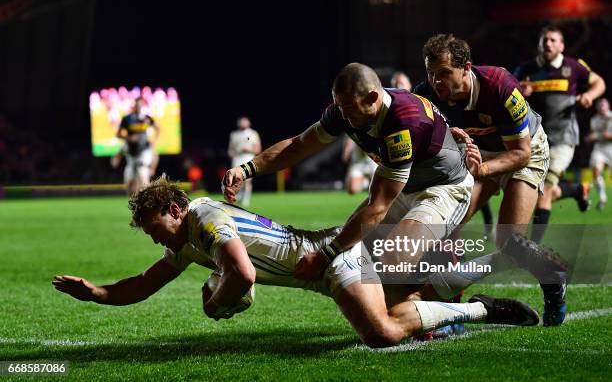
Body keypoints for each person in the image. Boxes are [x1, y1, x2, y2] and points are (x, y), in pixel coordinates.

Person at [52, 175, 541, 348]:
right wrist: (95, 293)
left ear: (175, 210)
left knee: (382, 332)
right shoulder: (185, 237)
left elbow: (241, 273)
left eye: (156, 228)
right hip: (323, 259)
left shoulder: (203, 219)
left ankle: (483, 310)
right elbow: (144, 282)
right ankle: (502, 262)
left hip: (330, 260)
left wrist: (216, 306)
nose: (157, 239)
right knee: (417, 293)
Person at [223, 62, 474, 286]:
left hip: (442, 187)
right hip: (405, 186)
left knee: (395, 255)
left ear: (373, 97)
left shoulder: (403, 123)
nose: (344, 115)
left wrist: (324, 257)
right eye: (340, 106)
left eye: (349, 108)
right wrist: (246, 169)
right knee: (358, 251)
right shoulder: (345, 111)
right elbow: (299, 145)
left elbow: (377, 207)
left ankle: (450, 284)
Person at [413, 34, 566, 326]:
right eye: (431, 74)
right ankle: (452, 310)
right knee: (447, 227)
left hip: (525, 150)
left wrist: (482, 171)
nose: (436, 81)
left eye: (444, 73)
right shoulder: (427, 94)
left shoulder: (500, 86)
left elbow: (520, 153)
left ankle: (551, 277)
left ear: (466, 68)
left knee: (509, 243)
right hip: (478, 153)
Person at [513, 26, 606, 241]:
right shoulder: (526, 69)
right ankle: (576, 190)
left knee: (543, 188)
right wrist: (519, 90)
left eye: (553, 40)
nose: (548, 44)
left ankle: (531, 247)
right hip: (535, 141)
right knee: (540, 189)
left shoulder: (573, 67)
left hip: (564, 139)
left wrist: (590, 96)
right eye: (545, 40)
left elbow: (599, 83)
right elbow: (507, 92)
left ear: (561, 45)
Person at [112, 97, 160, 194]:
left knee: (143, 175)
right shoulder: (127, 119)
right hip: (131, 153)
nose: (139, 107)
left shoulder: (146, 118)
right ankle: (134, 204)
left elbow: (158, 128)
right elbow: (118, 134)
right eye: (138, 104)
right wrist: (129, 138)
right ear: (134, 105)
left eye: (141, 105)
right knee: (129, 184)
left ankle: (147, 202)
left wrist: (155, 140)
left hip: (143, 150)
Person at [227, 116, 261, 207]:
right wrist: (232, 154)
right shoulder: (234, 134)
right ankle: (238, 197)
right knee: (236, 180)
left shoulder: (253, 133)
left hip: (248, 157)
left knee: (247, 180)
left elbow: (258, 149)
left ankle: (246, 199)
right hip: (237, 158)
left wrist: (248, 149)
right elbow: (231, 149)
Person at [586, 98, 612, 210]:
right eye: (600, 105)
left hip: (610, 147)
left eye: (604, 105)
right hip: (599, 148)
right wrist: (591, 137)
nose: (602, 107)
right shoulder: (594, 119)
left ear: (608, 106)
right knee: (596, 171)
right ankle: (602, 197)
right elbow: (594, 134)